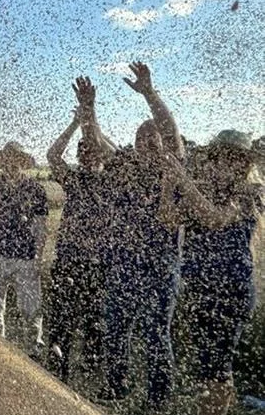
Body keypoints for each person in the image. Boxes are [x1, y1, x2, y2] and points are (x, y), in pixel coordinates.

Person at [99, 62, 184, 412]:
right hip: (124, 263)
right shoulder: (125, 168)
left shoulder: (173, 165)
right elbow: (97, 143)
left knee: (155, 334)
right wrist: (88, 113)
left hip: (160, 267)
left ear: (163, 142)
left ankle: (158, 399)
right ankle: (116, 387)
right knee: (116, 327)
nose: (146, 141)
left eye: (152, 137)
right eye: (140, 138)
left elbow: (171, 128)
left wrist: (150, 93)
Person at [162, 130, 263, 415]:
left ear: (244, 166)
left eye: (234, 161)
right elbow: (168, 218)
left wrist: (182, 179)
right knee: (207, 365)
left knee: (218, 365)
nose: (224, 166)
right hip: (200, 288)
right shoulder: (203, 190)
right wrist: (169, 183)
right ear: (213, 160)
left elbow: (214, 218)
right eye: (220, 159)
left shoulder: (250, 195)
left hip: (231, 292)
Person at [44, 77, 116, 384]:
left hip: (99, 263)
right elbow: (52, 156)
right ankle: (57, 375)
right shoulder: (74, 179)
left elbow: (109, 149)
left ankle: (88, 379)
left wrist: (90, 113)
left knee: (94, 323)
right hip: (68, 259)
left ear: (100, 154)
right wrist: (75, 123)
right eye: (82, 153)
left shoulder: (115, 179)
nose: (87, 157)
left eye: (92, 152)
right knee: (60, 318)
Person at [0, 141, 48, 357]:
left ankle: (34, 353)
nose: (11, 163)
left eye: (15, 159)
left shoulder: (35, 189)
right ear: (2, 162)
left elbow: (40, 226)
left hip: (26, 257)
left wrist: (39, 255)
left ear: (22, 162)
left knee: (31, 310)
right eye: (7, 159)